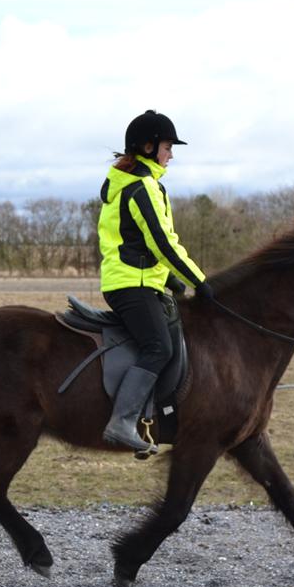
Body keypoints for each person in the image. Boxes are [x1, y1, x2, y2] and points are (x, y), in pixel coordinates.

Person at [97, 109, 213, 453]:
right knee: (158, 347)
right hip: (132, 284)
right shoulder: (143, 187)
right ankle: (122, 422)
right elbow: (163, 243)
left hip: (139, 280)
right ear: (148, 147)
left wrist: (172, 283)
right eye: (167, 146)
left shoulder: (128, 185)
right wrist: (199, 281)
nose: (171, 154)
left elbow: (141, 243)